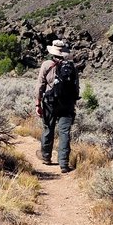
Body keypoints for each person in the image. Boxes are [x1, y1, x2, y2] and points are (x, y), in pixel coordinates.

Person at [35, 39, 79, 173]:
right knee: (64, 132)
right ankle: (64, 163)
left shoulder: (47, 65)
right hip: (67, 104)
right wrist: (73, 103)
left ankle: (46, 156)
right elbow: (76, 88)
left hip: (50, 102)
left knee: (48, 128)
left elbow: (40, 85)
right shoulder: (72, 67)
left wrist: (38, 103)